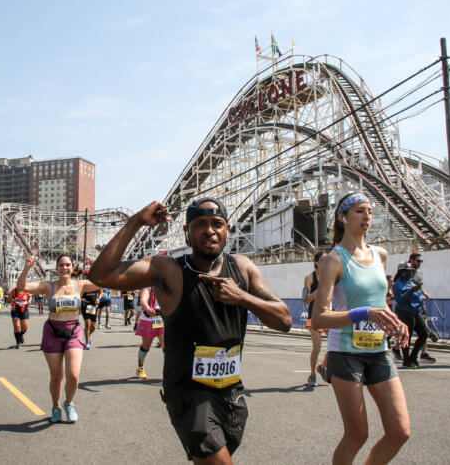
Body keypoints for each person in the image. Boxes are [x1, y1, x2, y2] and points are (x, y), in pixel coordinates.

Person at [88, 198, 291, 463]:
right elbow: (101, 275)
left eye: (217, 224)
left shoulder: (243, 268)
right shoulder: (169, 270)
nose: (209, 230)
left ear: (227, 229)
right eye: (199, 224)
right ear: (186, 231)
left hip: (231, 392)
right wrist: (137, 220)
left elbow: (285, 320)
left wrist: (241, 296)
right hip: (188, 395)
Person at [312, 192, 411, 465]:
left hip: (378, 349)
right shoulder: (333, 259)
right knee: (357, 435)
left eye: (369, 210)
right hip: (345, 352)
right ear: (343, 217)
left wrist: (394, 319)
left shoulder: (380, 254)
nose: (367, 216)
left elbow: (379, 303)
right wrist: (363, 313)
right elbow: (320, 318)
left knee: (400, 431)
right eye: (359, 211)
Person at [17, 253, 100, 423]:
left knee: (73, 375)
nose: (65, 268)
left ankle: (69, 403)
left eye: (68, 265)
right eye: (61, 265)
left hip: (74, 332)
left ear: (72, 267)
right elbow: (22, 287)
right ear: (56, 268)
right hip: (53, 332)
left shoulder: (81, 285)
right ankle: (55, 406)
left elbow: (104, 282)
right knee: (57, 376)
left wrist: (96, 265)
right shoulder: (48, 286)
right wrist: (26, 268)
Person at [393, 263, 429, 368]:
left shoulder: (411, 282)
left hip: (415, 311)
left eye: (411, 271)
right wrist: (411, 291)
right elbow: (399, 299)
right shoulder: (398, 284)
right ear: (401, 272)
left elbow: (418, 297)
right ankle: (406, 360)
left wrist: (422, 309)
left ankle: (413, 357)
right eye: (407, 271)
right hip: (405, 311)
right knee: (406, 336)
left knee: (424, 333)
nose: (410, 273)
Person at [303, 251, 328, 386]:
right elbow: (305, 300)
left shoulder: (331, 276)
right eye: (323, 260)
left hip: (330, 315)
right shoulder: (310, 278)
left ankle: (322, 367)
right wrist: (317, 292)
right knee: (317, 347)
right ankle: (312, 374)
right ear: (316, 262)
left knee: (337, 345)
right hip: (315, 316)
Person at [408, 252, 437, 362]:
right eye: (418, 261)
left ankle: (423, 353)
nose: (420, 263)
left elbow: (419, 287)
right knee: (407, 331)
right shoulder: (407, 272)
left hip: (419, 304)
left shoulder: (418, 273)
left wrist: (424, 294)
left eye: (421, 261)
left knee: (424, 330)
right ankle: (397, 350)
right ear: (411, 260)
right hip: (408, 306)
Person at [134, 287, 164, 380]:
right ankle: (140, 368)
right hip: (149, 317)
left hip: (164, 317)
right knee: (146, 345)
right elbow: (143, 299)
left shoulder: (168, 281)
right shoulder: (148, 284)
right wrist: (147, 307)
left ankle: (168, 371)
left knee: (165, 345)